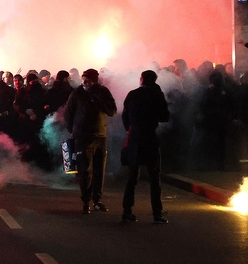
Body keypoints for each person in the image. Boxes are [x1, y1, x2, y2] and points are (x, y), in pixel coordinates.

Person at [120, 70, 171, 224]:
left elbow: (125, 116)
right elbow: (165, 116)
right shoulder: (157, 94)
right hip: (150, 138)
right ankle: (157, 213)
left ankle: (127, 211)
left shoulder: (132, 94)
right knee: (154, 177)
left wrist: (130, 128)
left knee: (132, 177)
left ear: (141, 79)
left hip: (135, 138)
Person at [64, 68, 117, 214]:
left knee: (99, 170)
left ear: (94, 80)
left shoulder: (103, 92)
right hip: (82, 137)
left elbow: (112, 111)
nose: (84, 82)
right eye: (83, 79)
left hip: (100, 136)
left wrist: (98, 100)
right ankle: (85, 201)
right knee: (85, 170)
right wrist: (73, 131)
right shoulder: (77, 93)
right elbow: (68, 114)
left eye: (87, 80)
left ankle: (97, 200)